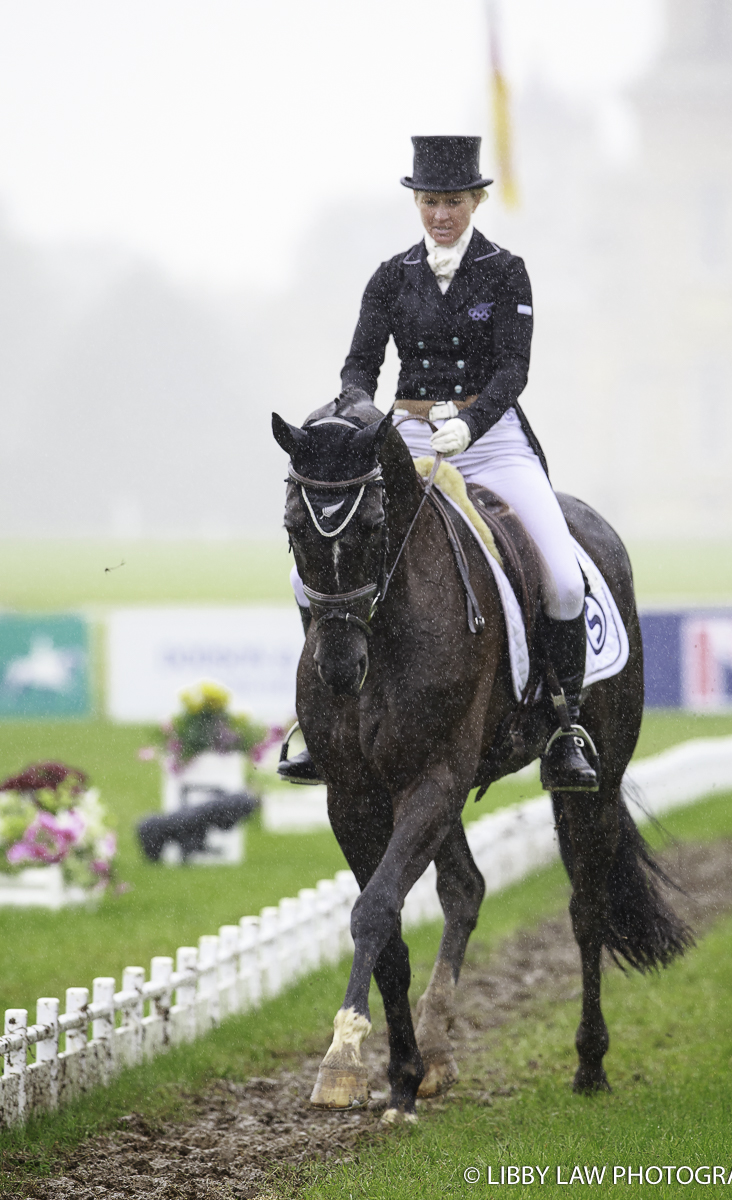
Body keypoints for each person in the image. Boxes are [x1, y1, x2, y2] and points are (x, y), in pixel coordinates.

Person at [280, 135, 596, 793]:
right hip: (410, 436)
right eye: (429, 201)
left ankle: (566, 726)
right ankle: (324, 721)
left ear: (475, 200)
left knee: (564, 581)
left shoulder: (507, 271)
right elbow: (359, 366)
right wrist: (364, 415)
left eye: (452, 201)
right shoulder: (391, 276)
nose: (440, 213)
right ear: (417, 203)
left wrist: (472, 424)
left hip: (494, 437)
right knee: (307, 575)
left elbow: (514, 368)